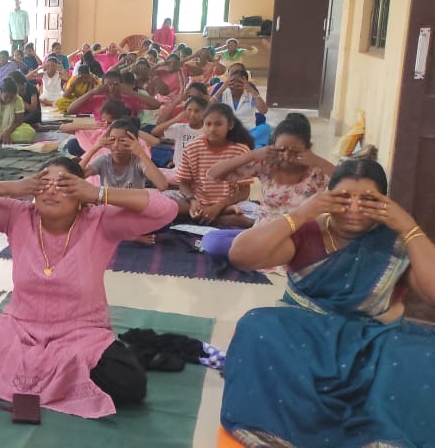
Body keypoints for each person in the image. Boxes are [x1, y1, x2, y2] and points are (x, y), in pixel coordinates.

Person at [0, 157, 177, 418]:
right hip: (20, 330)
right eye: (44, 184)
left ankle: (22, 378)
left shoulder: (101, 221)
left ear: (80, 196)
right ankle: (54, 382)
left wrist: (99, 193)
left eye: (63, 185)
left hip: (79, 336)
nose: (51, 191)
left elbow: (165, 209)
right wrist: (12, 187)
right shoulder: (17, 216)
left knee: (128, 381)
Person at [221, 159, 435, 447]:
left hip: (370, 340)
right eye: (344, 198)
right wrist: (301, 213)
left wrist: (409, 227)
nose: (354, 209)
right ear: (326, 196)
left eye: (368, 200)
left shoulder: (395, 242)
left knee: (424, 355)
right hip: (306, 333)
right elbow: (240, 256)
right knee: (256, 324)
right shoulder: (308, 231)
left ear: (385, 203)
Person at [200, 114, 334, 257]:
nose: (287, 156)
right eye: (281, 150)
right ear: (272, 146)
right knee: (212, 240)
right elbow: (213, 175)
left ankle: (272, 255)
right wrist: (252, 155)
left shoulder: (317, 171)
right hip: (264, 233)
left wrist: (319, 161)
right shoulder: (267, 165)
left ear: (308, 149)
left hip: (298, 237)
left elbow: (351, 185)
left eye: (295, 152)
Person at [171, 103, 255, 226]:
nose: (212, 129)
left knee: (255, 213)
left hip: (228, 202)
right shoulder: (192, 148)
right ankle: (218, 217)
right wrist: (193, 201)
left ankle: (204, 217)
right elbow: (184, 184)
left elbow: (244, 191)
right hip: (197, 202)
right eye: (208, 124)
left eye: (218, 124)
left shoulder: (240, 151)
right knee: (164, 202)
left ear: (230, 125)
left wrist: (220, 206)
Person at [81, 119, 168, 190]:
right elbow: (75, 176)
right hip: (108, 208)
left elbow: (162, 185)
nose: (115, 145)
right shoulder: (103, 161)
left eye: (122, 140)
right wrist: (94, 148)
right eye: (112, 139)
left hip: (133, 208)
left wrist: (141, 153)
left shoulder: (138, 162)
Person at [151, 95, 208, 173]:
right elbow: (155, 132)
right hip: (178, 170)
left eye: (197, 111)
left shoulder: (208, 131)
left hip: (200, 172)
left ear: (205, 113)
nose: (192, 114)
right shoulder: (180, 128)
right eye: (189, 110)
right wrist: (175, 119)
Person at [66, 72, 161, 117]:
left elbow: (156, 105)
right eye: (108, 85)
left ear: (121, 85)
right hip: (100, 135)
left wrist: (131, 92)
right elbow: (70, 110)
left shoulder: (129, 99)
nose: (111, 88)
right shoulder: (97, 99)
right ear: (102, 86)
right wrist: (91, 93)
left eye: (115, 85)